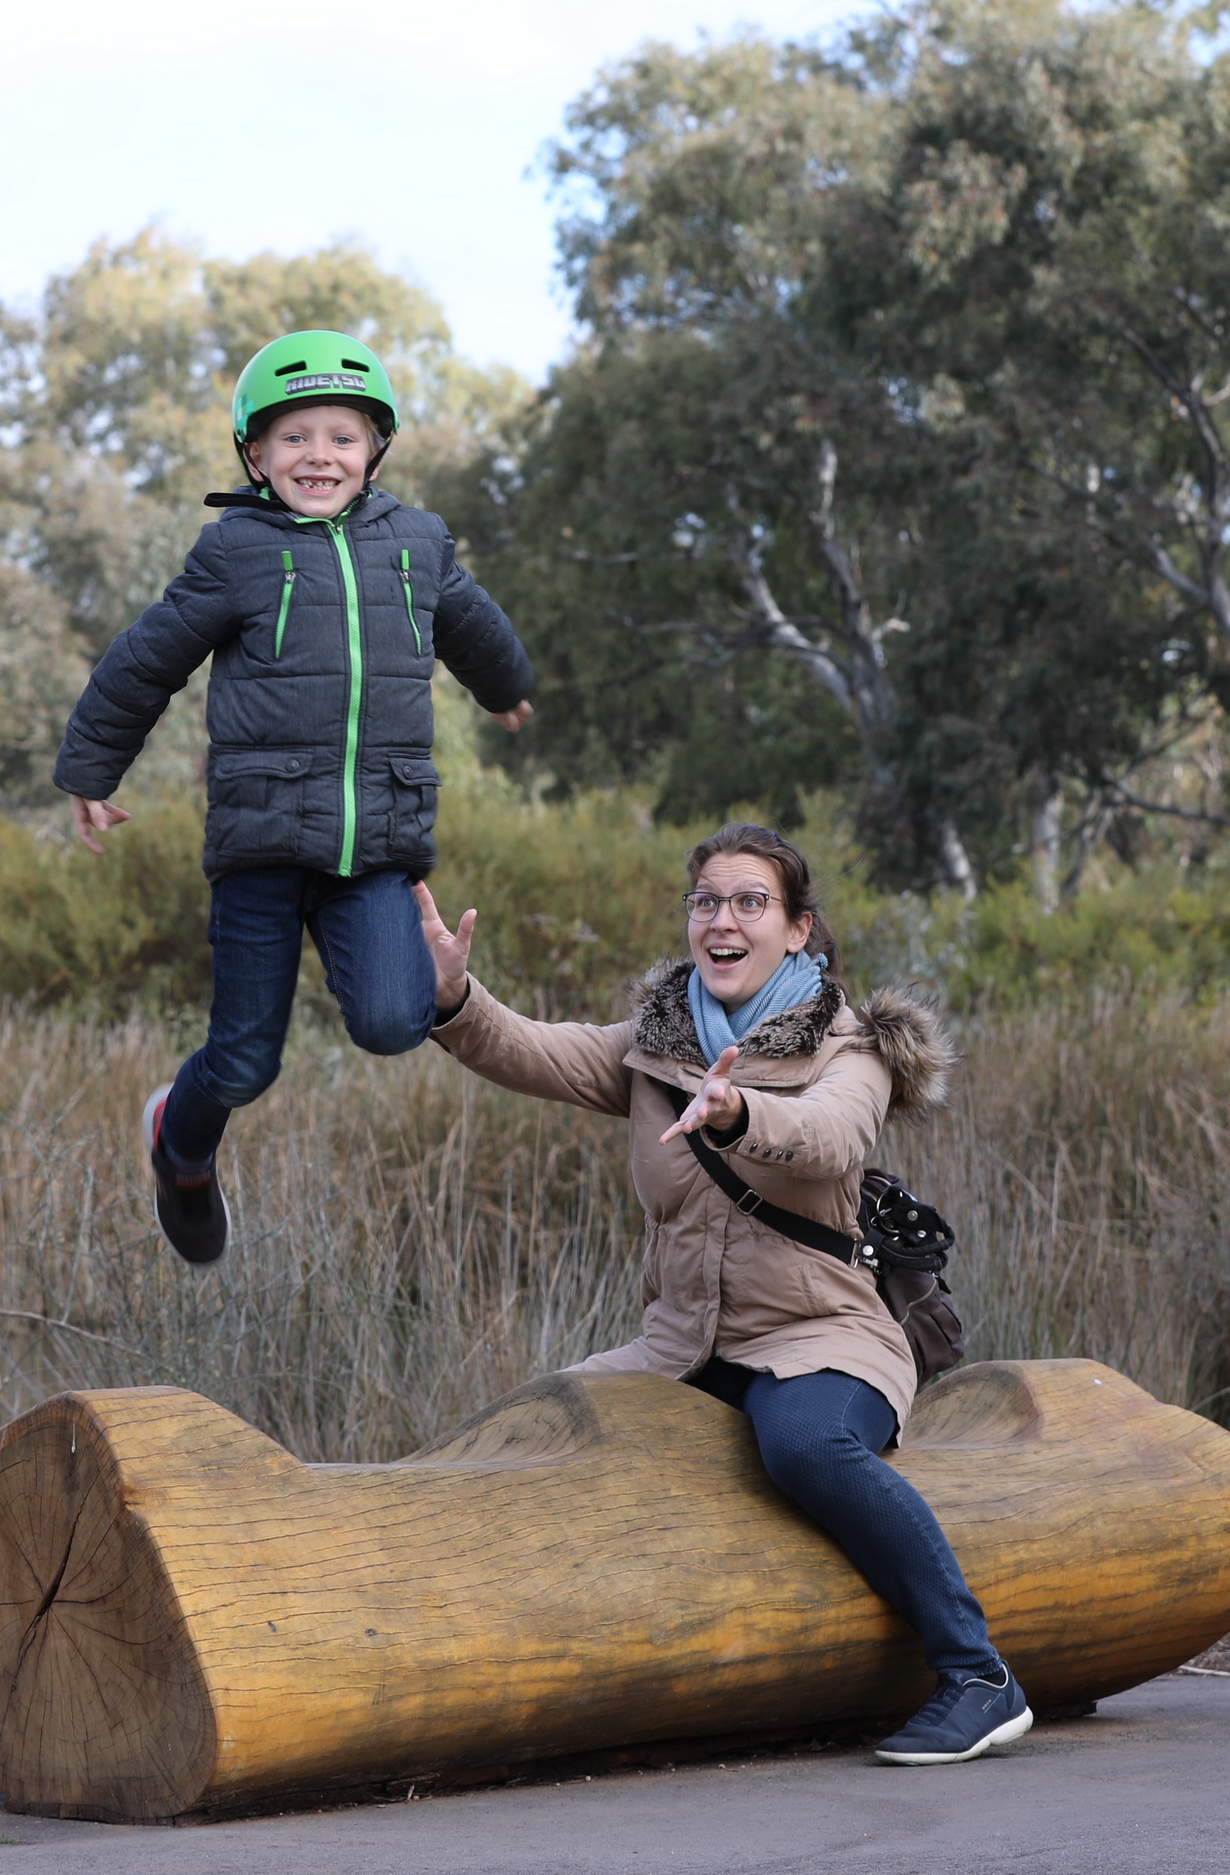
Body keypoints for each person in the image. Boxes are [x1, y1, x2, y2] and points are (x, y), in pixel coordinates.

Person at [409, 822, 1029, 1766]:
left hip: (821, 1338)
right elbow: (532, 1049)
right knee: (540, 1421)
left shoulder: (850, 1049)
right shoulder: (655, 1046)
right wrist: (456, 995)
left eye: (750, 903)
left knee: (807, 1446)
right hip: (681, 1350)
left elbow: (828, 1137)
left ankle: (979, 1677)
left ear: (798, 930)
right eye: (707, 902)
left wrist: (740, 1110)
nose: (723, 920)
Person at [55, 328, 534, 1266]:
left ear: (376, 449)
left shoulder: (419, 544)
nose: (319, 455)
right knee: (243, 1060)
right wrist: (91, 771)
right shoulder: (235, 551)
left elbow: (472, 627)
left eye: (342, 437)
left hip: (375, 847)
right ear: (255, 455)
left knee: (398, 1023)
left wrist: (507, 685)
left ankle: (198, 1126)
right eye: (294, 438)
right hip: (263, 846)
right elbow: (145, 660)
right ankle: (180, 1148)